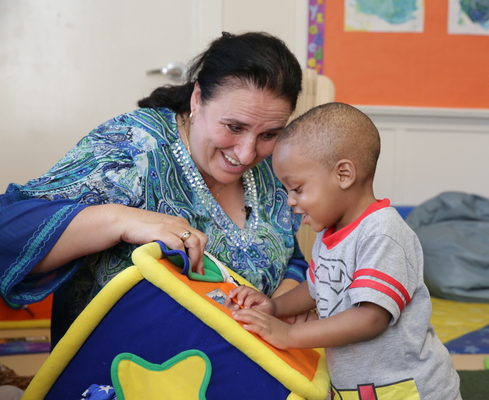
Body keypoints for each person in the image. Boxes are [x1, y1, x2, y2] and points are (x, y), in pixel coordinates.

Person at [0, 31, 310, 344]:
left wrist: (276, 307)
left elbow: (289, 257)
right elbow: (8, 233)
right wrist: (121, 220)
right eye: (234, 127)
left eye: (269, 134)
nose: (246, 153)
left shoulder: (272, 169)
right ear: (198, 98)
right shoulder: (134, 147)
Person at [229, 103, 462, 399]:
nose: (290, 201)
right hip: (359, 388)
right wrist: (274, 308)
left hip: (409, 390)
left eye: (297, 188)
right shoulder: (331, 234)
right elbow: (315, 289)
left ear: (343, 175)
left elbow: (371, 318)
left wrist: (288, 335)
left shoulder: (383, 232)